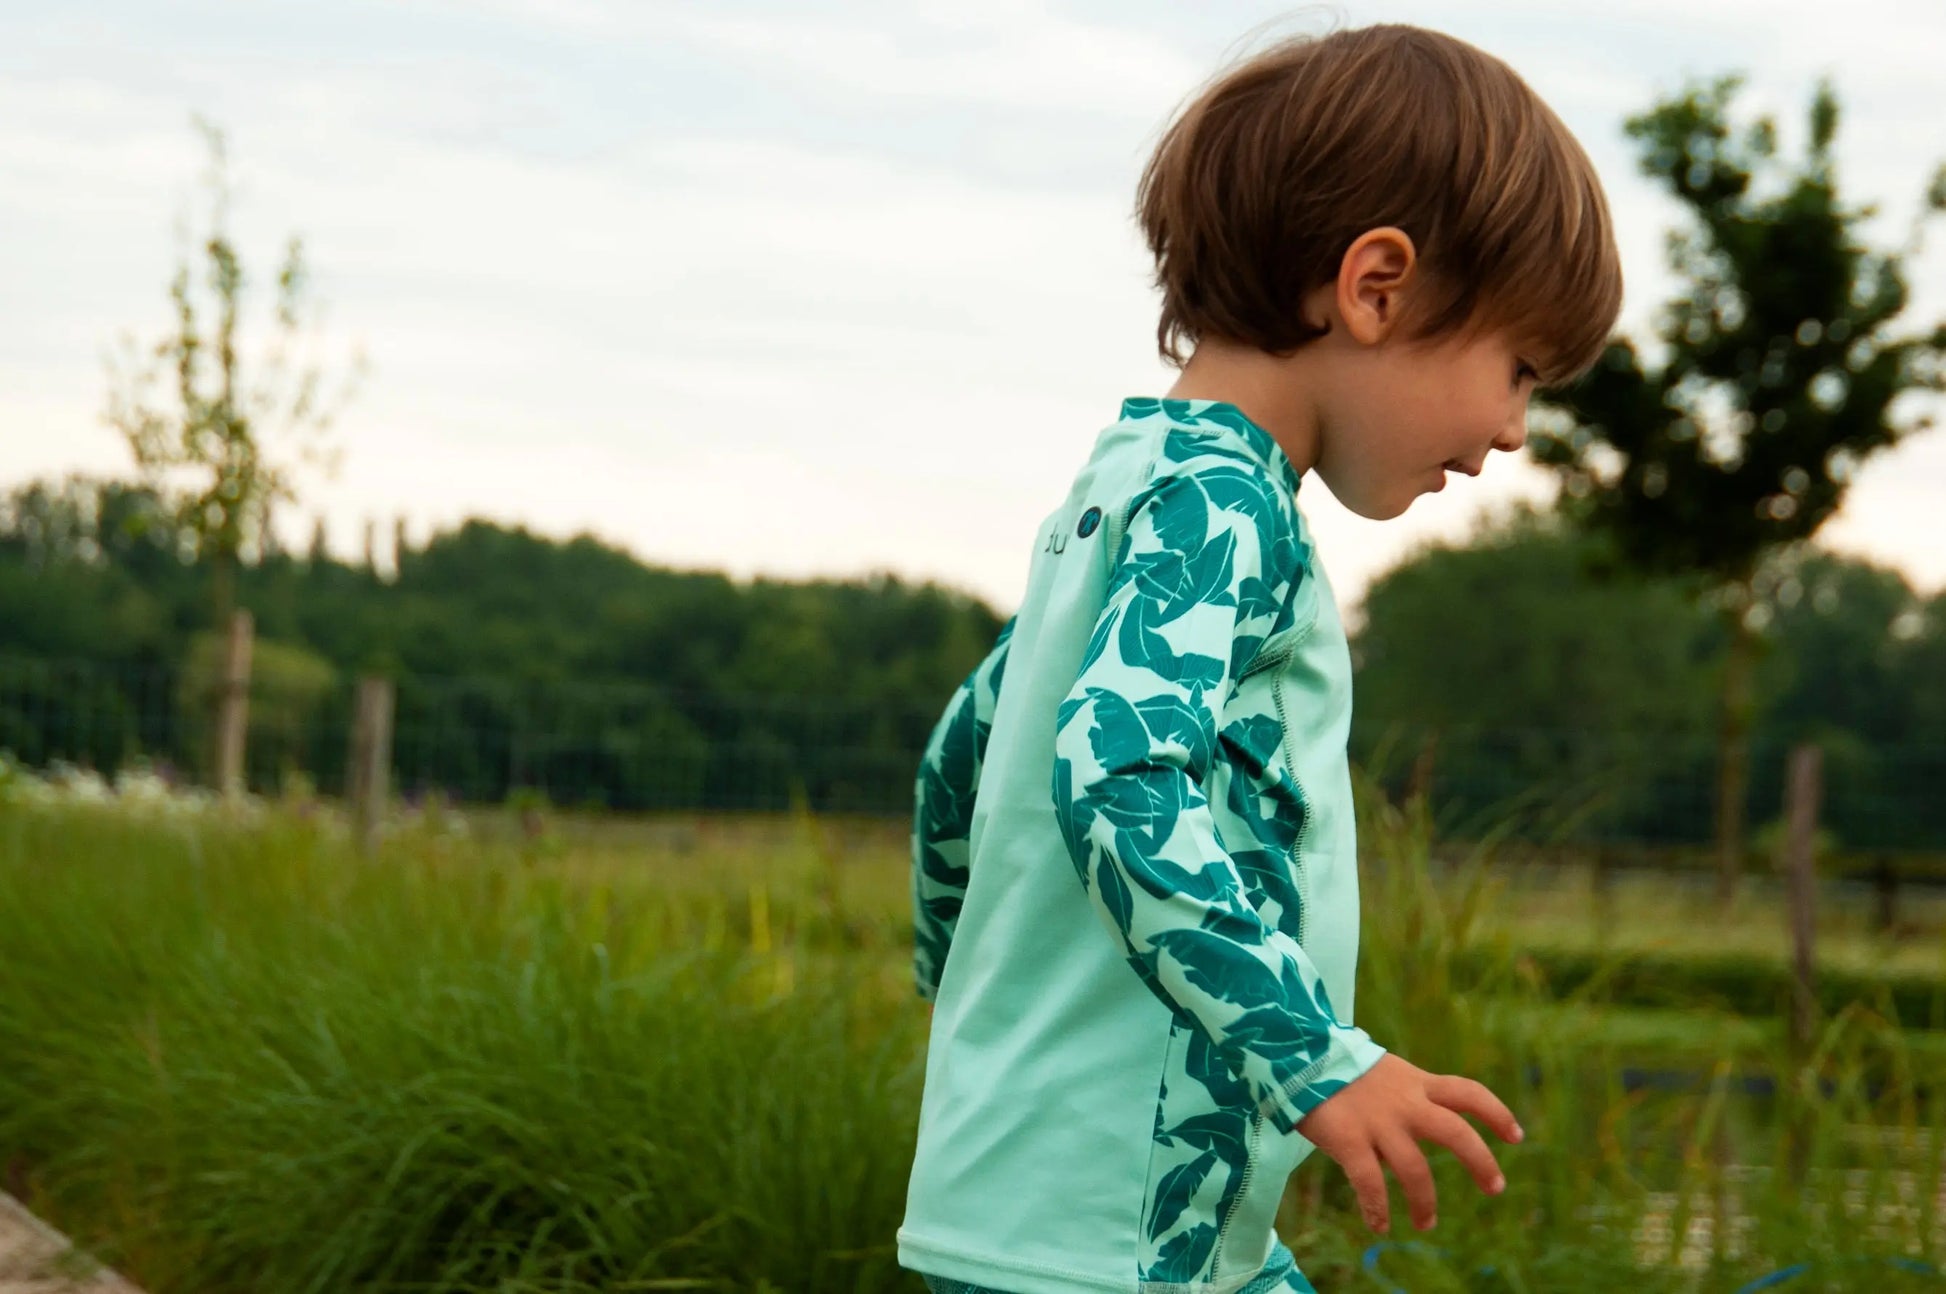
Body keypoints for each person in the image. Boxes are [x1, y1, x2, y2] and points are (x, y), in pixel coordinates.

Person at [899, 22, 1623, 1294]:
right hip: (1117, 1234)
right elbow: (1117, 769)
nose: (1512, 429)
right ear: (1376, 287)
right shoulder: (1225, 508)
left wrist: (972, 1005)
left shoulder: (1117, 486)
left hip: (1054, 1201)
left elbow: (958, 760)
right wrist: (1316, 1055)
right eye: (1515, 369)